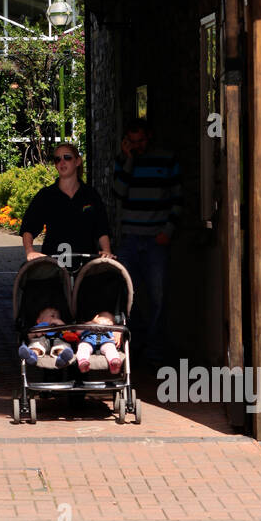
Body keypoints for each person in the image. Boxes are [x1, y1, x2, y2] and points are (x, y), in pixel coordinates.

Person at [112, 118, 182, 368]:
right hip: (130, 237)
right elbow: (118, 191)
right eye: (132, 141)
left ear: (149, 137)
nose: (137, 145)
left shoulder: (167, 158)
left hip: (156, 238)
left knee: (158, 295)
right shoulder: (124, 160)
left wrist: (169, 230)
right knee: (127, 293)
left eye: (140, 140)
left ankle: (154, 351)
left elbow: (178, 196)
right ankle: (134, 343)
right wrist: (128, 159)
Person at [20, 142, 113, 262]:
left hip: (85, 264)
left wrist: (106, 250)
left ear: (77, 161)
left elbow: (101, 227)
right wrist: (30, 251)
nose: (62, 162)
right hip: (54, 266)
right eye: (57, 159)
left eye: (67, 158)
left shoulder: (90, 195)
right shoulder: (46, 195)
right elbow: (29, 227)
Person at [18, 305, 76, 369]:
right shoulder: (39, 326)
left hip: (57, 341)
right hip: (42, 341)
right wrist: (35, 332)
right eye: (52, 316)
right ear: (39, 320)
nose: (55, 319)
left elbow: (70, 334)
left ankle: (62, 356)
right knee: (36, 344)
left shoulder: (59, 327)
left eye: (57, 317)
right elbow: (28, 336)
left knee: (63, 345)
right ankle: (32, 355)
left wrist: (62, 325)